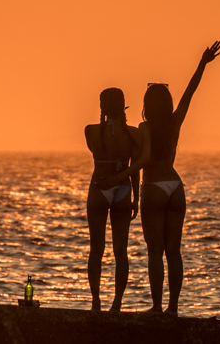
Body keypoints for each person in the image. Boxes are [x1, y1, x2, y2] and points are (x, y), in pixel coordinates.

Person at [99, 41, 220, 315]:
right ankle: (173, 308)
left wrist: (122, 182)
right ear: (167, 104)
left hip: (153, 188)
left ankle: (156, 307)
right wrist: (202, 63)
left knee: (155, 252)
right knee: (174, 252)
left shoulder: (144, 127)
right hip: (176, 187)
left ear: (146, 105)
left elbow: (140, 162)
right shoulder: (175, 121)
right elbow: (190, 92)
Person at [84, 87, 142, 312]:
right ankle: (117, 303)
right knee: (121, 251)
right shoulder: (134, 134)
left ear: (102, 106)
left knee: (96, 249)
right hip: (123, 190)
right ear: (123, 106)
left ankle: (96, 302)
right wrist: (136, 198)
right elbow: (134, 169)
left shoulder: (90, 131)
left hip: (98, 188)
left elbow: (95, 152)